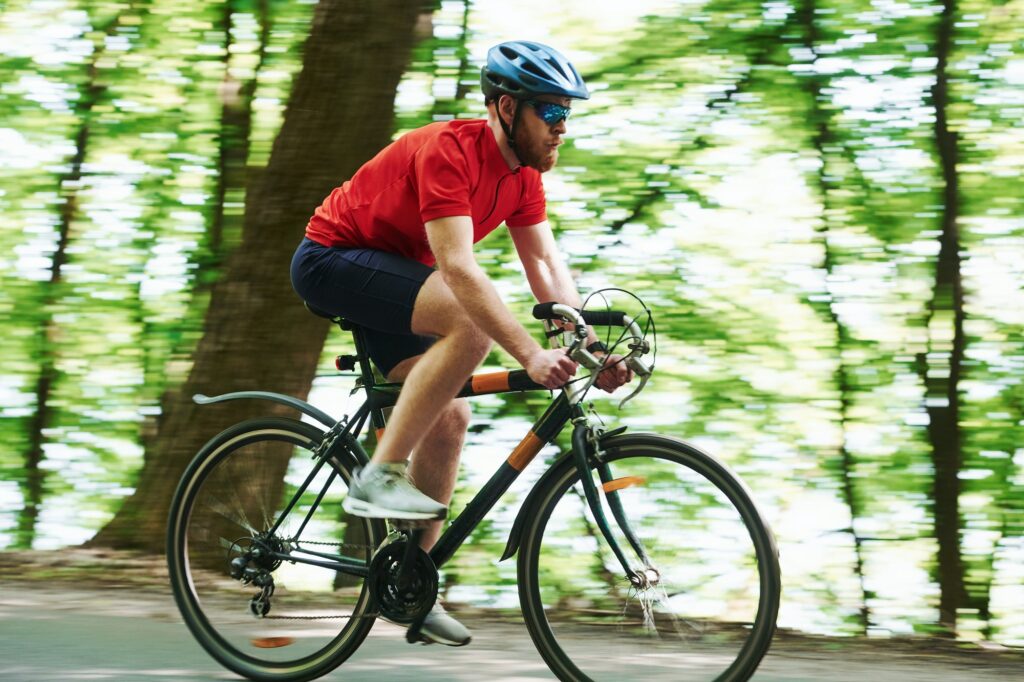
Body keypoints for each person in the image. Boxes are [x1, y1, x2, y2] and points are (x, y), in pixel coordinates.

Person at [290, 40, 633, 646]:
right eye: (550, 113)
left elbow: (547, 271)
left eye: (567, 115)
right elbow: (459, 270)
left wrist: (587, 350)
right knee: (470, 324)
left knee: (450, 413)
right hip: (333, 259)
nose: (561, 129)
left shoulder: (524, 179)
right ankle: (380, 472)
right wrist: (530, 353)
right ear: (506, 108)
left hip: (395, 277)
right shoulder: (451, 150)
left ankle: (411, 587)